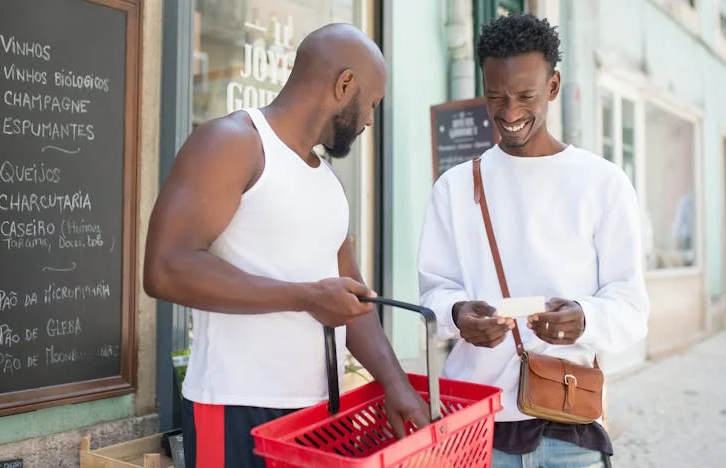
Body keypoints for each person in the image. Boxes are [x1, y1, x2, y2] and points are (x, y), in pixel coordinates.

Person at [144, 23, 429, 468]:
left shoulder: (328, 182)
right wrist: (305, 297)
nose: (371, 119)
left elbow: (354, 299)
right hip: (235, 408)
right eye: (371, 103)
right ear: (345, 84)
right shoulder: (234, 142)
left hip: (318, 414)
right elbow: (165, 267)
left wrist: (397, 384)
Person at [417, 13, 649, 468]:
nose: (509, 113)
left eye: (525, 96)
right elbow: (433, 296)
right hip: (476, 426)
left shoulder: (603, 183)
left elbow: (632, 308)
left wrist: (584, 318)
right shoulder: (454, 187)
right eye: (495, 97)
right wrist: (459, 314)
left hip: (571, 424)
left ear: (554, 86)